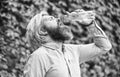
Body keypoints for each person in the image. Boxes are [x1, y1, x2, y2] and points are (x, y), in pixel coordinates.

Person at [24, 9, 112, 77]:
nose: (59, 19)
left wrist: (90, 25)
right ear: (42, 31)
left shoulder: (73, 51)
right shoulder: (39, 56)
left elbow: (104, 47)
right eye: (51, 19)